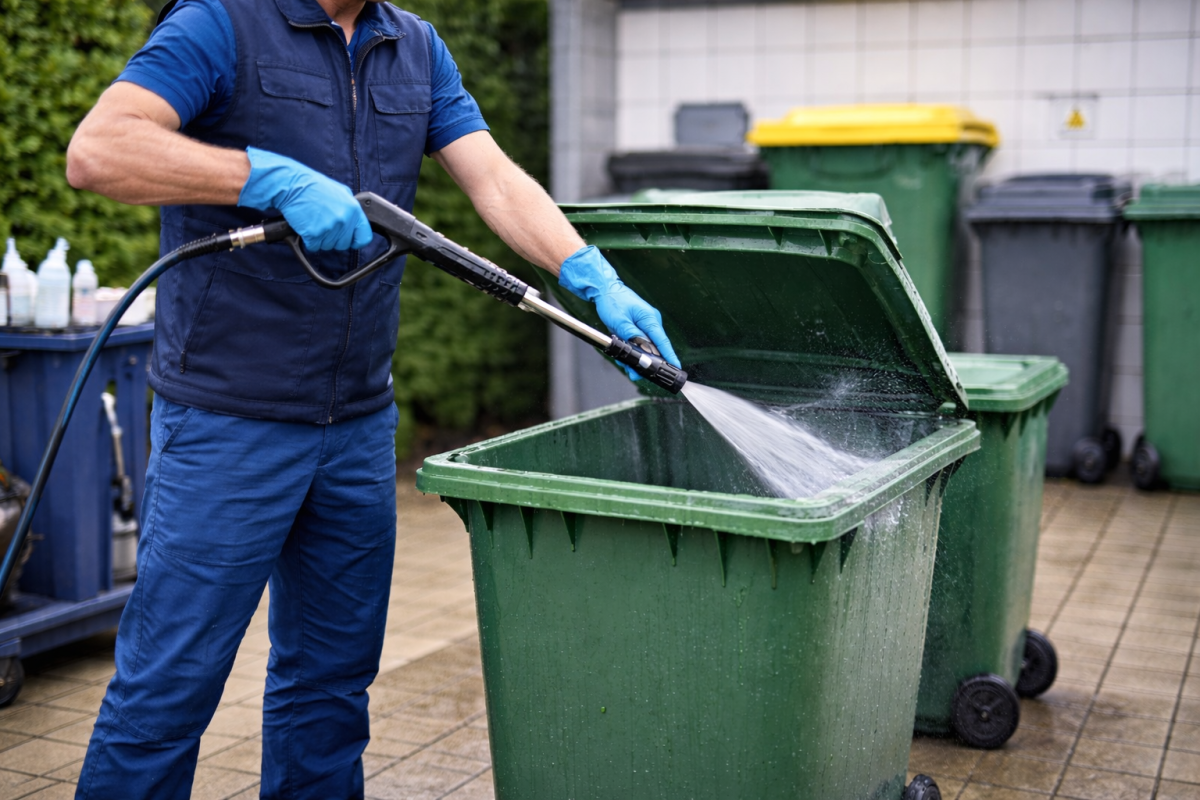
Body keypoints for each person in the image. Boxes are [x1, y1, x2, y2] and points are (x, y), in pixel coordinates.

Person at [65, 0, 678, 796]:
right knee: (167, 690)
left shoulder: (414, 46)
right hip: (226, 423)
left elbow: (489, 173)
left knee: (330, 687)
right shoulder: (221, 21)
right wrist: (263, 176)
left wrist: (590, 275)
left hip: (355, 426)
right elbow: (100, 150)